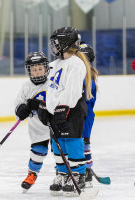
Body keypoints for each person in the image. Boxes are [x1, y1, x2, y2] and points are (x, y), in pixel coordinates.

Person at [37, 26, 93, 196]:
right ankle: (63, 174)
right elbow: (51, 88)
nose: (53, 46)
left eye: (56, 43)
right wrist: (45, 106)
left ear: (65, 43)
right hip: (57, 110)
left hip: (72, 108)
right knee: (57, 143)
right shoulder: (54, 64)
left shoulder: (76, 63)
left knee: (73, 142)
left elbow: (72, 90)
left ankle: (77, 175)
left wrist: (63, 108)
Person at [14, 52, 51, 193]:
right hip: (37, 127)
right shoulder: (26, 85)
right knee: (38, 152)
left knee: (60, 153)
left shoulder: (52, 82)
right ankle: (32, 175)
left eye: (40, 68)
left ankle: (62, 175)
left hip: (54, 125)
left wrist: (42, 105)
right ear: (29, 70)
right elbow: (19, 101)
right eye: (34, 69)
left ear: (46, 69)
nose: (37, 72)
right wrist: (20, 109)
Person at [79, 42, 99, 188]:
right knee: (79, 142)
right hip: (82, 114)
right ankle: (83, 169)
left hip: (84, 115)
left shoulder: (87, 79)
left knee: (83, 143)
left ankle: (86, 170)